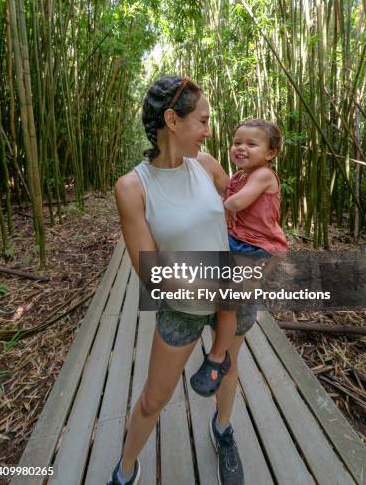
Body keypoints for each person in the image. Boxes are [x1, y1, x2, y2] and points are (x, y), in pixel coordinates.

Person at [109, 76, 256, 485]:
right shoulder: (132, 187)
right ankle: (125, 470)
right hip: (183, 307)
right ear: (172, 120)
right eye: (203, 121)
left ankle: (223, 431)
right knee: (155, 398)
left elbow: (244, 216)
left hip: (231, 295)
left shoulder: (207, 164)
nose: (209, 131)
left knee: (227, 368)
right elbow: (150, 273)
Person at [190, 119, 288, 397]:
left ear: (270, 153)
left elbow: (237, 202)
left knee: (227, 306)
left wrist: (226, 206)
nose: (241, 148)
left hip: (256, 249)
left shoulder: (264, 175)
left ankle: (218, 358)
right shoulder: (239, 175)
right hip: (238, 244)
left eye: (251, 144)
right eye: (237, 143)